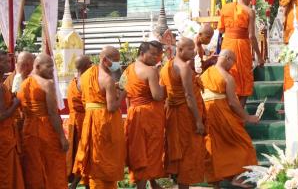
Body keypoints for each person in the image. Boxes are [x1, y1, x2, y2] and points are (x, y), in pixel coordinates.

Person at [201, 49, 258, 188]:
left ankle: (217, 184)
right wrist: (248, 117)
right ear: (227, 58)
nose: (233, 65)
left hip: (205, 113)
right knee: (243, 143)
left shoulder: (205, 74)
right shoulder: (227, 77)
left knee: (212, 147)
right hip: (221, 114)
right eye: (233, 61)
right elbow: (233, 102)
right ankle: (237, 177)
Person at [73, 46, 126, 188]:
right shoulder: (108, 79)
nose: (117, 64)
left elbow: (85, 93)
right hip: (105, 122)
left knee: (92, 156)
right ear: (104, 60)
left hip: (89, 118)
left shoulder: (86, 75)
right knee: (105, 159)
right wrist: (123, 93)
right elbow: (112, 106)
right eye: (115, 61)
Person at [17, 54, 69, 189]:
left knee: (34, 167)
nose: (52, 70)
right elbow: (52, 113)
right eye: (49, 66)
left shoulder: (23, 84)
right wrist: (62, 137)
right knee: (52, 165)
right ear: (38, 66)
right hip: (45, 129)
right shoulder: (47, 84)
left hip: (28, 129)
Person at [160, 37, 206, 189]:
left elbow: (163, 92)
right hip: (185, 114)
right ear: (180, 50)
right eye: (190, 49)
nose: (194, 52)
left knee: (178, 150)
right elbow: (188, 95)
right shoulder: (184, 68)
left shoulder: (167, 65)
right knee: (187, 151)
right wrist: (198, 121)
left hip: (173, 112)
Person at [124, 41, 165, 189]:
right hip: (149, 115)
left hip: (134, 113)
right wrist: (165, 87)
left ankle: (152, 183)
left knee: (138, 150)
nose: (156, 57)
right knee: (150, 151)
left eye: (158, 55)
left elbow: (124, 93)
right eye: (153, 54)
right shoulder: (151, 71)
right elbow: (157, 96)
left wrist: (130, 112)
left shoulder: (128, 70)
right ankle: (142, 186)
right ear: (142, 53)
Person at [218, 0, 264, 107]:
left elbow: (221, 30)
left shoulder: (225, 8)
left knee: (228, 73)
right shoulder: (249, 11)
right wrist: (259, 57)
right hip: (241, 46)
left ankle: (229, 111)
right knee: (244, 78)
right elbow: (252, 36)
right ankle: (239, 113)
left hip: (227, 45)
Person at [67, 55, 92, 189]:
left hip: (74, 120)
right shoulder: (84, 81)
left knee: (79, 152)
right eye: (90, 64)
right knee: (85, 153)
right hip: (83, 121)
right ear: (86, 66)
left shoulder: (73, 80)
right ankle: (77, 183)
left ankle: (77, 183)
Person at [0, 50, 24, 189]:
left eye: (8, 61)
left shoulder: (3, 84)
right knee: (5, 176)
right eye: (4, 62)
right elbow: (1, 115)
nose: (8, 64)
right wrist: (16, 103)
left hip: (7, 134)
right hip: (3, 137)